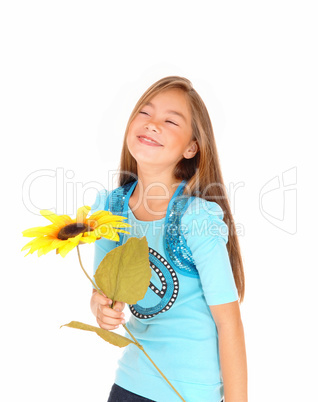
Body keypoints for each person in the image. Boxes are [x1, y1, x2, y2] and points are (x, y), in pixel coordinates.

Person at [90, 76, 248, 402]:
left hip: (191, 393)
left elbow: (229, 324)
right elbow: (103, 291)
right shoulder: (109, 209)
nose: (153, 124)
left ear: (192, 147)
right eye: (145, 113)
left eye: (170, 120)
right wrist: (102, 307)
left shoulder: (196, 218)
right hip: (130, 385)